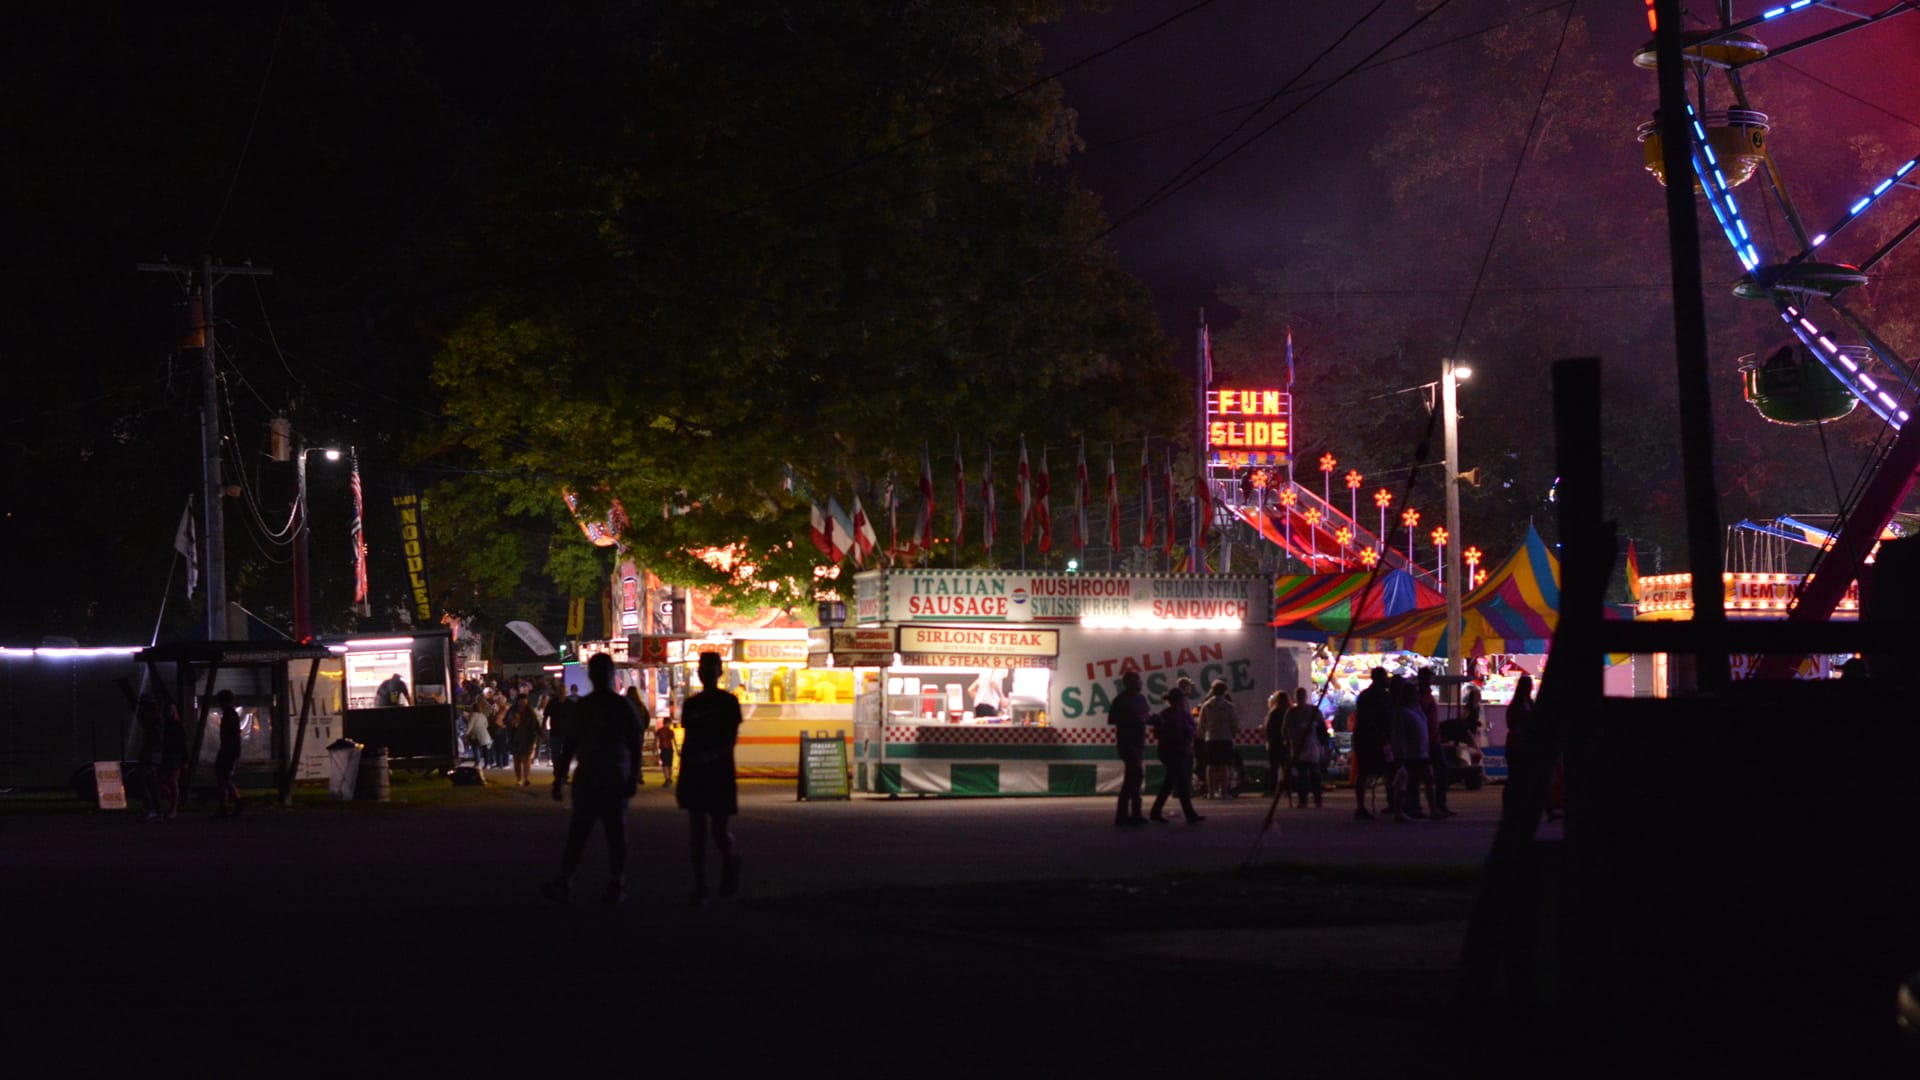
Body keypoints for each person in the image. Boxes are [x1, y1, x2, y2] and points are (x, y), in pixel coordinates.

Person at [542, 653, 645, 906]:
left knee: (583, 833)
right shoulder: (618, 707)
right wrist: (632, 774)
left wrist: (560, 778)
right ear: (611, 676)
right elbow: (635, 743)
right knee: (611, 833)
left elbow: (570, 744)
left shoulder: (588, 706)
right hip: (610, 775)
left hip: (595, 776)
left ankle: (572, 882)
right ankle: (613, 882)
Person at [678, 651, 743, 906]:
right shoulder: (691, 704)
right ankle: (701, 884)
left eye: (710, 667)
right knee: (697, 831)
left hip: (719, 773)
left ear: (719, 672)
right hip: (695, 772)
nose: (705, 672)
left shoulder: (728, 703)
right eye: (702, 667)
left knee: (718, 830)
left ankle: (730, 859)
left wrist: (713, 755)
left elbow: (731, 737)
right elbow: (689, 740)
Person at [1148, 689, 1202, 824]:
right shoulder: (1180, 715)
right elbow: (1192, 732)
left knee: (1171, 781)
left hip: (1171, 750)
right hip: (1176, 751)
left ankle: (1156, 811)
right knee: (1181, 781)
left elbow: (1157, 733)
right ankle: (1189, 814)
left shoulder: (1166, 714)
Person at [1107, 671, 1150, 826]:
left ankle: (1128, 813)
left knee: (1133, 778)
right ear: (1131, 683)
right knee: (1135, 775)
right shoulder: (1121, 700)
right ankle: (1128, 813)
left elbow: (1146, 715)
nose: (1141, 683)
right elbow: (1111, 719)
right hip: (1127, 743)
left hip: (1138, 742)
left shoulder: (1141, 698)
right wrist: (1131, 718)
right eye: (1138, 680)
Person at [1389, 680, 1434, 823]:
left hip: (1421, 751)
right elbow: (1399, 734)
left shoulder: (1417, 709)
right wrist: (1399, 752)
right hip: (1409, 753)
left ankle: (1430, 809)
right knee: (1404, 782)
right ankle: (1399, 811)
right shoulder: (1402, 712)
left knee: (1426, 779)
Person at [1350, 667, 1392, 820]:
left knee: (1365, 773)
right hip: (1373, 738)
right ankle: (1391, 802)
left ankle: (1361, 806)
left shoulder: (1365, 695)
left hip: (1365, 737)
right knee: (1387, 770)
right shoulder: (1381, 697)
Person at [1282, 687, 1327, 808]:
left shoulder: (1307, 711)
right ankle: (1308, 799)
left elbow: (1322, 729)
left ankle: (1313, 799)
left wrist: (1323, 745)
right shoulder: (1295, 712)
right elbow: (1286, 730)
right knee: (1306, 775)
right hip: (1301, 746)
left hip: (1310, 746)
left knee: (1312, 774)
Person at [1417, 667, 1453, 818]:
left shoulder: (1427, 696)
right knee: (1433, 773)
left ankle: (1439, 804)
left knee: (1438, 772)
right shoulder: (1420, 697)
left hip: (1432, 738)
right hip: (1427, 740)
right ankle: (1435, 805)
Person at [1198, 680, 1240, 799]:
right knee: (1224, 765)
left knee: (1210, 765)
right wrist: (1233, 733)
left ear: (1212, 690)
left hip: (1210, 738)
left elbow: (1201, 723)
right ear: (1224, 691)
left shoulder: (1206, 706)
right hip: (1225, 738)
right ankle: (1224, 793)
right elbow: (1234, 723)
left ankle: (1211, 792)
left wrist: (1205, 732)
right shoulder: (1229, 706)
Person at [134, 690, 166, 822]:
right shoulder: (157, 718)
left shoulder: (151, 719)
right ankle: (157, 810)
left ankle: (150, 810)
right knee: (152, 783)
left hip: (150, 753)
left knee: (142, 781)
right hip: (154, 754)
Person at [213, 689, 244, 817]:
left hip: (228, 750)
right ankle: (226, 805)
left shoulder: (229, 714)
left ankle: (235, 802)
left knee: (224, 777)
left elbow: (230, 735)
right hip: (230, 750)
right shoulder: (231, 714)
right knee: (224, 778)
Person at [158, 694, 188, 818]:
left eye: (170, 710)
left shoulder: (176, 726)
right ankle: (174, 803)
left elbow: (182, 743)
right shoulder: (165, 725)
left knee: (172, 782)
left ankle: (173, 808)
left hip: (174, 756)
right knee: (164, 782)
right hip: (167, 755)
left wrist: (184, 759)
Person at [509, 696, 541, 786]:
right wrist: (511, 722)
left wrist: (541, 734)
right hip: (515, 738)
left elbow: (536, 724)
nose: (522, 704)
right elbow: (506, 721)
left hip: (527, 738)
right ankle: (518, 779)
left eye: (524, 702)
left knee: (526, 759)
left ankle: (526, 778)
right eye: (521, 702)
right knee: (517, 760)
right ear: (518, 702)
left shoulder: (530, 711)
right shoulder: (512, 710)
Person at [623, 685, 651, 785]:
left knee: (627, 754)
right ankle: (638, 775)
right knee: (637, 754)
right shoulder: (640, 705)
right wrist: (643, 728)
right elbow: (647, 718)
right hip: (638, 733)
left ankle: (628, 775)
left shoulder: (624, 704)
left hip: (625, 734)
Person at [1263, 690, 1289, 794]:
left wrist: (1268, 739)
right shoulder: (1289, 711)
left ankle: (1272, 789)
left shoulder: (1274, 712)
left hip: (1275, 742)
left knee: (1274, 766)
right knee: (1285, 767)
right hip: (1286, 742)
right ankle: (1287, 788)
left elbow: (1269, 728)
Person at [464, 704, 492, 770]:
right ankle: (487, 764)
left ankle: (477, 763)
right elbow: (486, 725)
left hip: (475, 735)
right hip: (484, 734)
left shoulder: (472, 715)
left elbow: (470, 725)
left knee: (476, 749)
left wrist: (466, 734)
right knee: (486, 750)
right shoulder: (482, 715)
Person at [655, 716, 676, 789]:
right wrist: (677, 749)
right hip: (670, 749)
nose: (670, 724)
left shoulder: (659, 731)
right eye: (670, 723)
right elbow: (674, 741)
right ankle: (669, 778)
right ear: (668, 723)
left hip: (664, 749)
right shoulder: (671, 731)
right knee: (670, 764)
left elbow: (656, 740)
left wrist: (656, 748)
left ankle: (667, 779)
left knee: (665, 765)